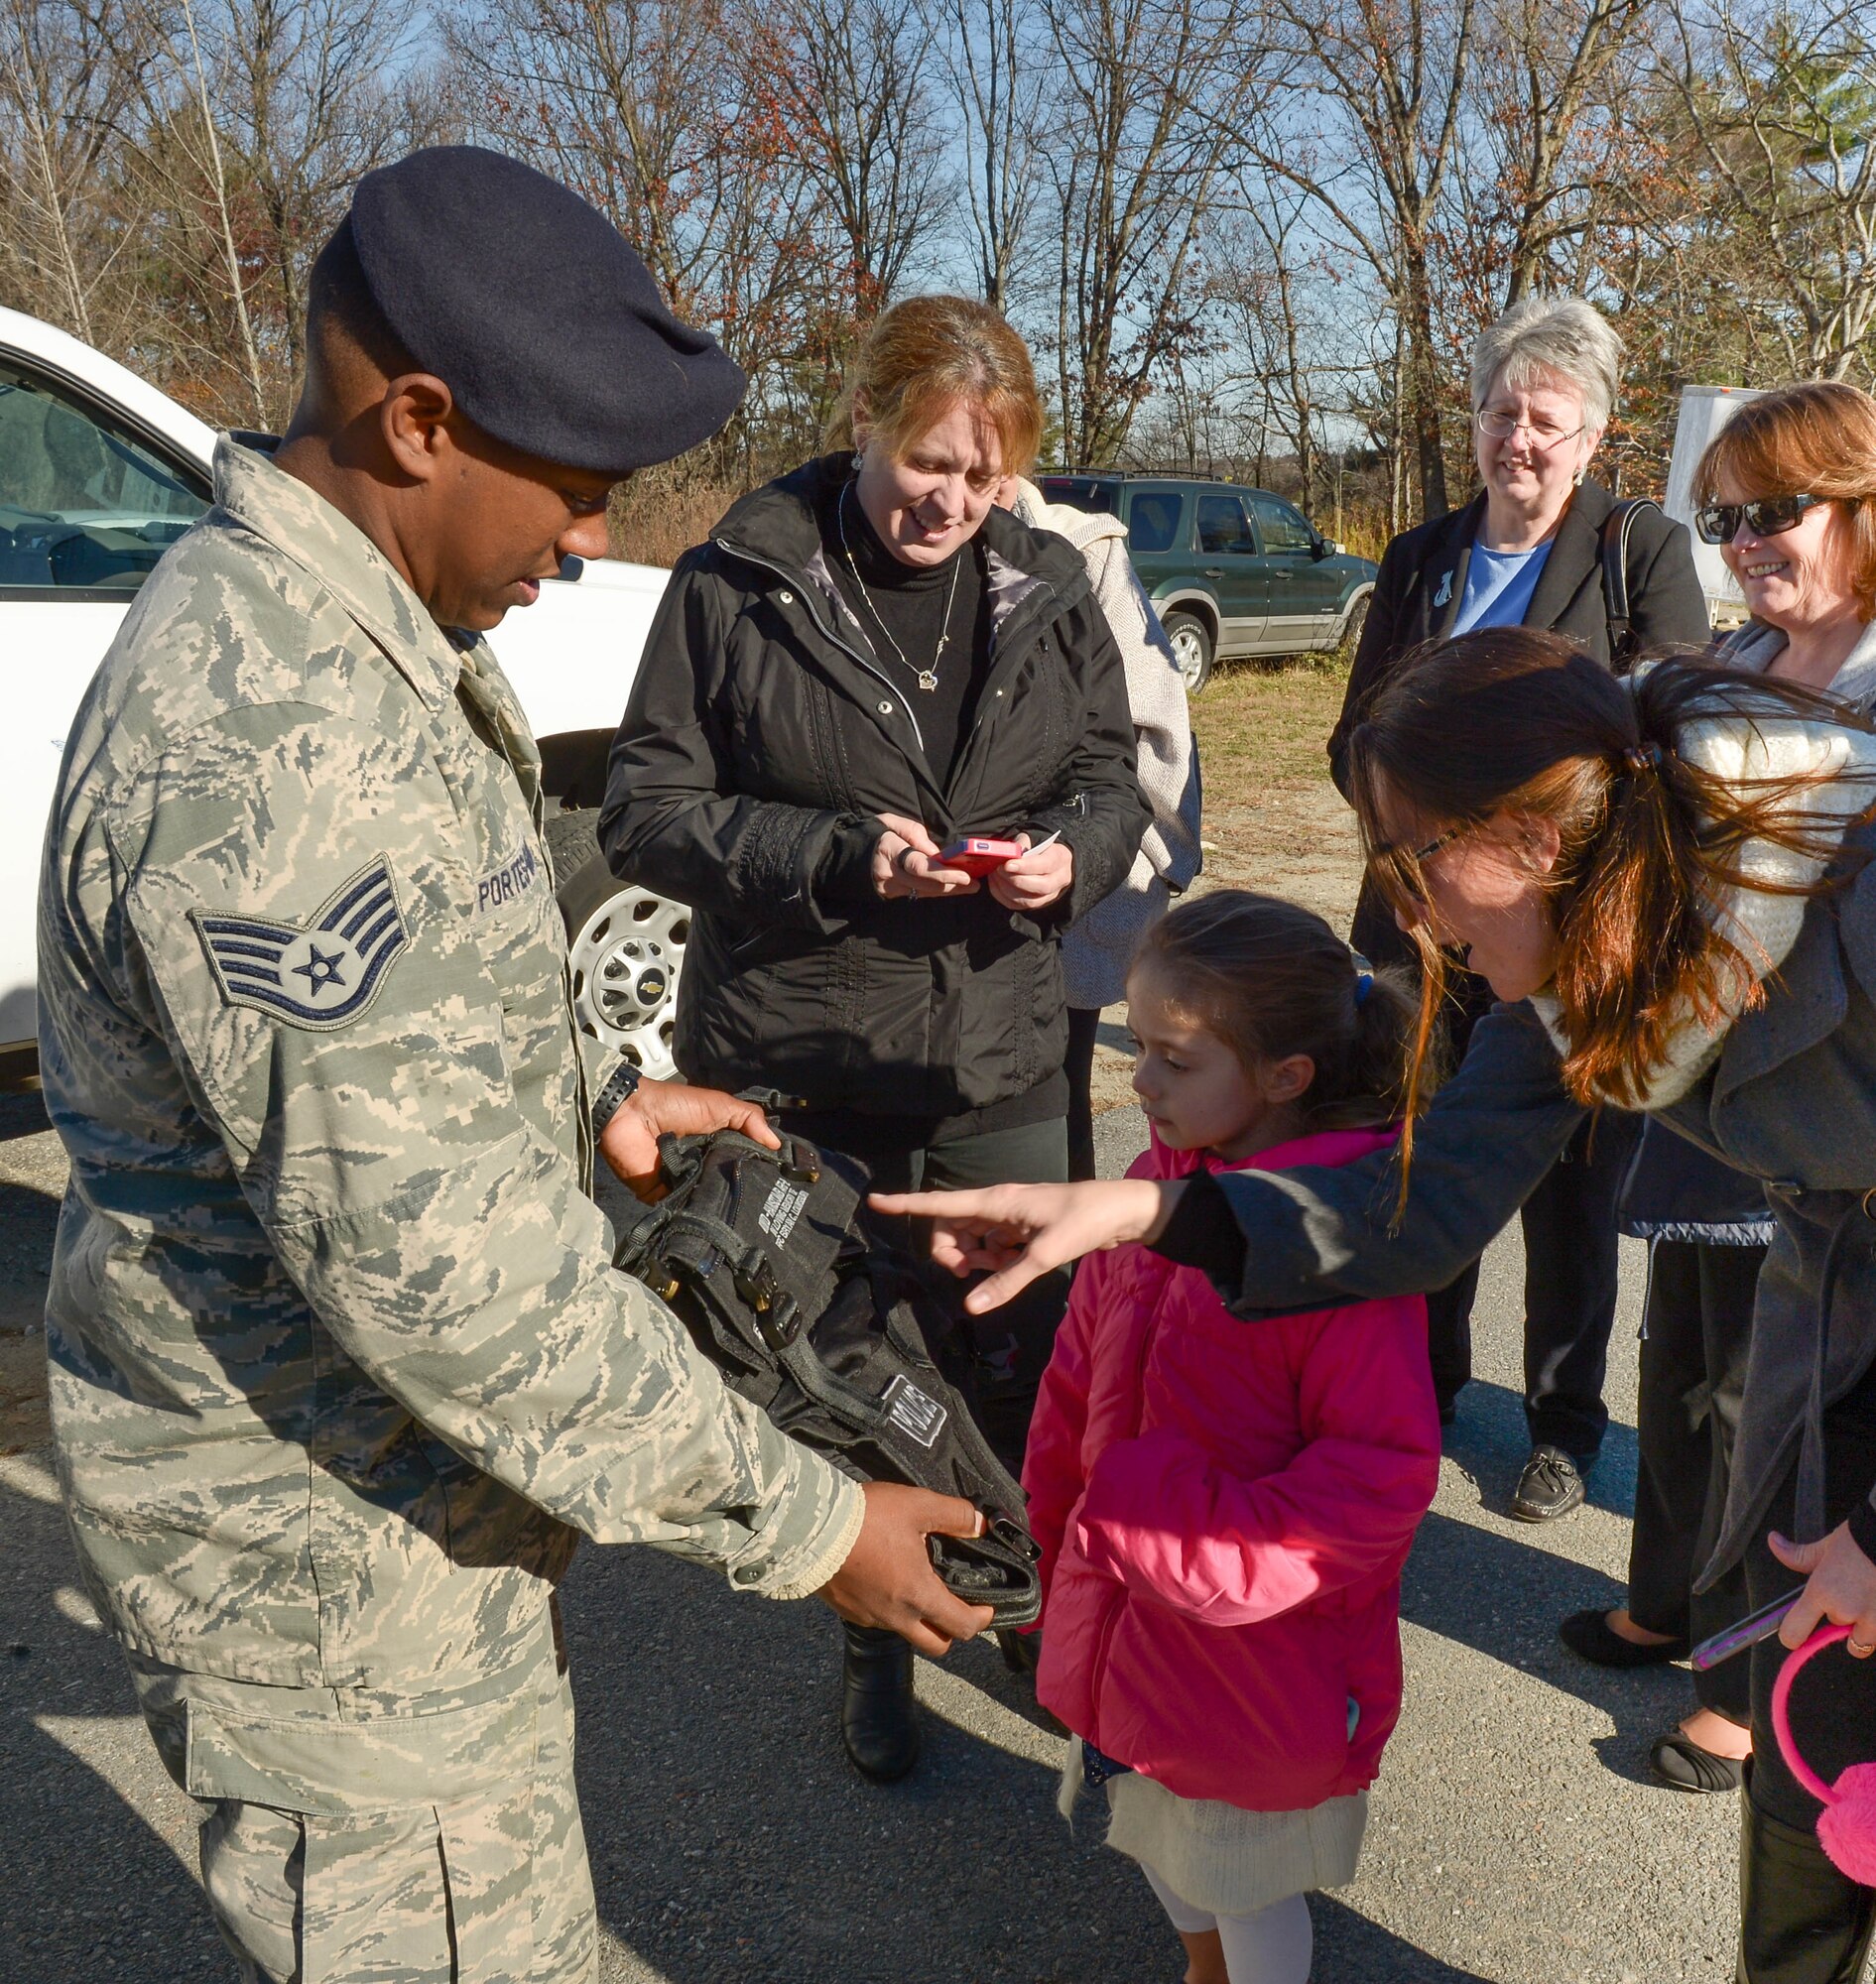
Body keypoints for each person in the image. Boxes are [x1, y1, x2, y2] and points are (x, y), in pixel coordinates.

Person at [37, 147, 990, 1984]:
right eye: (572, 491)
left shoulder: (363, 637)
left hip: (396, 1536)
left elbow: (383, 1059)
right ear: (414, 421)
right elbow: (439, 1278)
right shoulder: (270, 735)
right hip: (325, 1582)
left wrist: (591, 1106)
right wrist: (806, 1528)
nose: (589, 542)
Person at [887, 614, 1876, 1980]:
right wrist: (1137, 1208)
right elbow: (1418, 1209)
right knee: (1815, 1766)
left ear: (1530, 840)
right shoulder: (1582, 937)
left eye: (1413, 864)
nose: (1404, 917)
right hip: (1837, 1341)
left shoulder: (1851, 902)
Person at [598, 294, 1148, 1783]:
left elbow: (1111, 778)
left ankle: (1027, 1613)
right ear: (861, 423)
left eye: (981, 479)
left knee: (1017, 1360)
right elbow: (642, 809)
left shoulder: (1040, 582)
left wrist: (1072, 860)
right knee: (847, 1367)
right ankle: (873, 1641)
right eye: (925, 464)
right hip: (804, 1055)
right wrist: (840, 855)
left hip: (999, 1053)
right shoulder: (740, 580)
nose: (948, 503)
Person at [1327, 296, 1710, 1523]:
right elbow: (1358, 734)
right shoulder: (1420, 556)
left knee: (1569, 1187)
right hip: (1413, 917)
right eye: (1502, 413)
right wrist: (1412, 856)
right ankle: (1428, 1383)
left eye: (1546, 421)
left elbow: (1664, 729)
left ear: (1593, 438)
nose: (1519, 441)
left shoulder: (1632, 550)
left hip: (1563, 924)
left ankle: (1559, 1418)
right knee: (1425, 1149)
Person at [1023, 892, 1439, 1984]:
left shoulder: (1335, 1250)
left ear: (1283, 1075)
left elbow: (1377, 1476)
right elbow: (1078, 1366)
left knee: (1244, 1879)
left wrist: (1163, 1525)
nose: (1138, 1079)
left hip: (1252, 1653)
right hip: (1127, 1605)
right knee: (1157, 1831)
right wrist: (1053, 1518)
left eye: (1171, 1057)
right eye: (1136, 1044)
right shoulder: (1151, 1188)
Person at [1561, 381, 1876, 1798]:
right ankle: (1715, 1666)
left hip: (1840, 1183)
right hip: (1740, 1150)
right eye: (1721, 518)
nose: (1743, 543)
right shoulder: (1720, 668)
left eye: (1775, 511)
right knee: (1703, 1402)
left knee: (1805, 1477)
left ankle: (1771, 1736)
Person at [998, 474, 1202, 1182]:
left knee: (1047, 1126)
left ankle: (1070, 1293)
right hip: (901, 918)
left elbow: (1154, 731)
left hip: (1055, 907)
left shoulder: (1084, 552)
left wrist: (1133, 863)